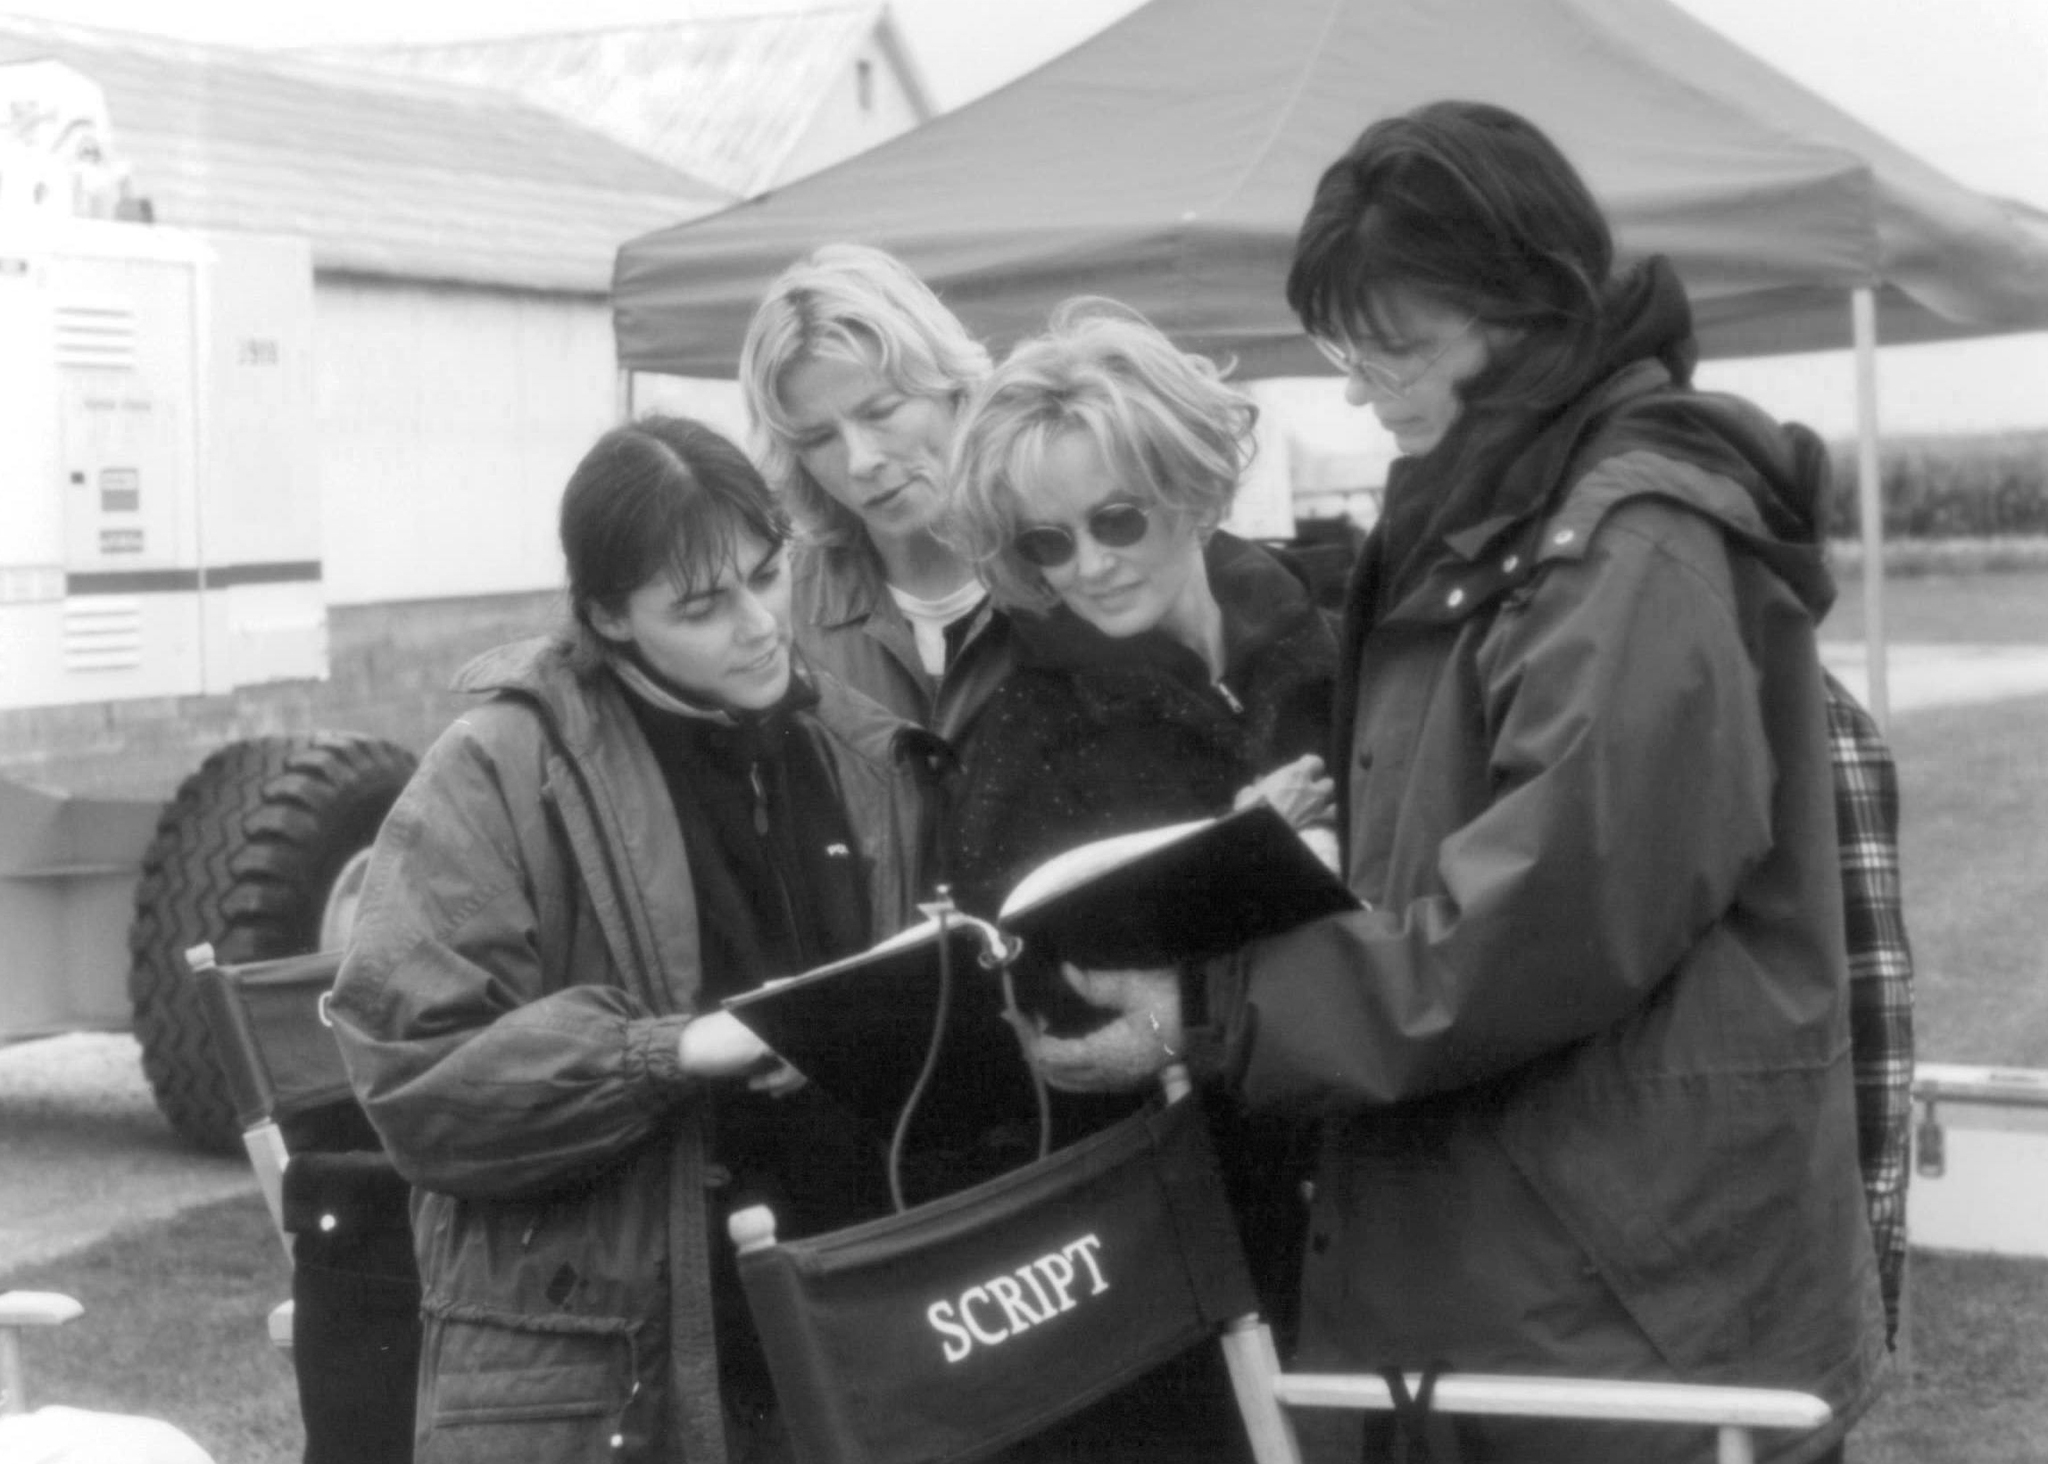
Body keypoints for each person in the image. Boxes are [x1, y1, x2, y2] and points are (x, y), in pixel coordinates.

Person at [1019, 102, 1890, 1464]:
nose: (1368, 390)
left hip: (1617, 1287)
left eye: (1401, 346)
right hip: (1525, 1260)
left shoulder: (1629, 542)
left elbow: (1540, 918)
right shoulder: (1500, 504)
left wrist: (1215, 1003)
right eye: (1345, 350)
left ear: (1533, 307)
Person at [326, 416, 926, 1464]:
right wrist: (672, 1051)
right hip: (621, 1371)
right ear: (605, 615)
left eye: (766, 575)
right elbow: (419, 1086)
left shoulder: (853, 745)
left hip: (845, 1327)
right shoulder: (496, 769)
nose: (757, 626)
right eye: (700, 606)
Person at [942, 299, 1338, 1461]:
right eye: (1045, 544)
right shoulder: (1022, 731)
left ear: (1196, 487)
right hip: (1175, 1248)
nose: (1088, 565)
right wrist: (1231, 873)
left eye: (1114, 518)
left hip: (1380, 1190)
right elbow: (1038, 1020)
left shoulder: (1330, 660)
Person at [740, 243, 1012, 748]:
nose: (861, 460)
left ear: (953, 389)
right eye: (819, 439)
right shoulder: (780, 612)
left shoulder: (1067, 560)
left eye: (881, 411)